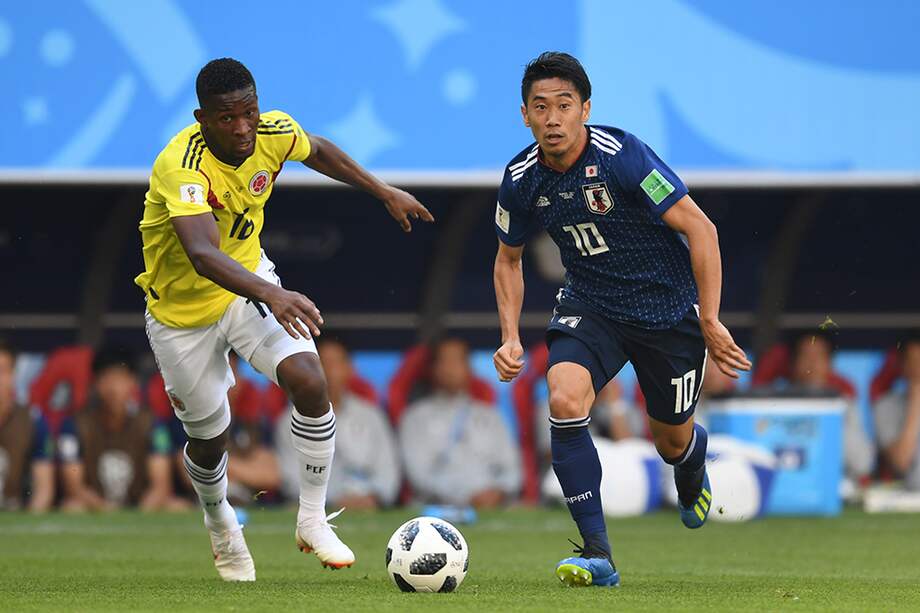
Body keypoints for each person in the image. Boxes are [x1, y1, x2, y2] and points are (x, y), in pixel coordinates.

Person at [135, 58, 433, 581]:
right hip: (181, 315)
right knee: (209, 439)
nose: (243, 127)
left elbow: (316, 149)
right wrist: (273, 293)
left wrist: (382, 190)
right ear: (202, 119)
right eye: (227, 118)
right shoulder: (180, 166)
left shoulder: (272, 131)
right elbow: (202, 253)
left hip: (247, 284)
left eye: (249, 112)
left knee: (310, 381)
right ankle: (221, 523)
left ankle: (312, 519)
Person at [491, 52, 751, 587]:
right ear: (525, 115)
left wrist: (711, 319)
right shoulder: (520, 179)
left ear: (585, 109)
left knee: (670, 443)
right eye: (541, 107)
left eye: (564, 105)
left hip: (666, 312)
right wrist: (510, 336)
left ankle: (692, 459)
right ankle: (598, 554)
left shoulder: (623, 156)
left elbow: (700, 229)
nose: (553, 118)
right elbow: (507, 260)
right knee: (564, 399)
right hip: (591, 306)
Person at [276, 338, 400, 510]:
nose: (329, 371)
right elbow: (290, 477)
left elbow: (388, 470)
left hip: (369, 507)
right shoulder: (289, 420)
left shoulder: (372, 416)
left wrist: (373, 497)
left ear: (350, 369)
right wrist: (334, 500)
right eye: (322, 363)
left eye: (336, 363)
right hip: (315, 508)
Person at [58, 346, 184, 512]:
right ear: (94, 383)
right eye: (107, 379)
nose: (113, 389)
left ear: (133, 382)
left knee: (176, 507)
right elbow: (75, 487)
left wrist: (140, 516)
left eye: (120, 379)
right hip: (95, 510)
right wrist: (106, 510)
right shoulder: (76, 425)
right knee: (72, 508)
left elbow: (160, 486)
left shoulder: (150, 424)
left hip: (140, 508)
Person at [400, 338, 521, 508]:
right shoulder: (415, 418)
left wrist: (498, 492)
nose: (451, 368)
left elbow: (512, 470)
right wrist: (466, 497)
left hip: (493, 506)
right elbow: (419, 476)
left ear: (469, 367)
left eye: (458, 361)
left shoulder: (491, 416)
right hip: (437, 508)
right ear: (433, 368)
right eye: (445, 361)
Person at [786, 330, 875, 485]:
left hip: (833, 488)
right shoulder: (778, 405)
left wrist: (829, 412)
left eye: (819, 356)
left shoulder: (843, 405)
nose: (813, 363)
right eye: (806, 356)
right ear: (794, 363)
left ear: (830, 363)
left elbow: (863, 464)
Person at [0, 339, 54, 512]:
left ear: (13, 375)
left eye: (2, 371)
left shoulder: (32, 420)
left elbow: (44, 489)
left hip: (14, 511)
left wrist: (31, 518)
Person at [873, 331, 920, 490]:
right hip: (911, 496)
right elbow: (901, 462)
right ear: (903, 367)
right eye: (913, 362)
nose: (918, 370)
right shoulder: (885, 406)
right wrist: (915, 404)